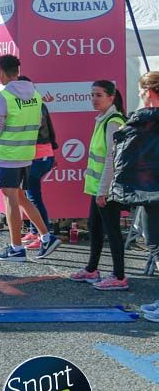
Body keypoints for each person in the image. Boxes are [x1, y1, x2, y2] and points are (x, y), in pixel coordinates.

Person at [0, 55, 61, 262]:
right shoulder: (35, 95)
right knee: (21, 197)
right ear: (17, 70)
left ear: (2, 73)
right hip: (27, 154)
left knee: (12, 200)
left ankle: (16, 247)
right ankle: (46, 235)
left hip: (9, 155)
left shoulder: (3, 97)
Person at [70, 80, 129, 289]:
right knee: (95, 228)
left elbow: (111, 160)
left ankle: (119, 276)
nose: (94, 99)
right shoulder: (103, 119)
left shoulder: (113, 121)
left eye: (99, 95)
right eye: (92, 94)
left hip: (107, 188)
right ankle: (92, 269)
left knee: (112, 231)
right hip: (98, 187)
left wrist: (103, 190)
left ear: (111, 98)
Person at [110, 72, 159, 317]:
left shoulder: (142, 121)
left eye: (141, 92)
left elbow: (122, 152)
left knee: (156, 244)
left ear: (148, 93)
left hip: (152, 191)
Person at [16, 76, 58, 250]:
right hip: (37, 155)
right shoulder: (35, 103)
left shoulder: (35, 105)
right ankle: (36, 231)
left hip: (38, 156)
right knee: (29, 195)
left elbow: (36, 128)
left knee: (33, 197)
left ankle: (44, 234)